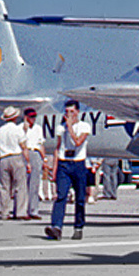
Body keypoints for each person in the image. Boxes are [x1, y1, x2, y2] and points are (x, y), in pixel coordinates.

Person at [45, 100, 91, 241]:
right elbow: (58, 147)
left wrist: (70, 127)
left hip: (78, 164)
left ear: (77, 112)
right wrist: (55, 168)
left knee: (80, 198)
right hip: (64, 164)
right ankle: (56, 227)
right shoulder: (61, 127)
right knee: (61, 195)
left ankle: (78, 226)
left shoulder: (84, 126)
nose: (68, 115)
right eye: (66, 112)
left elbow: (78, 142)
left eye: (71, 112)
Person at [0, 106, 29, 221]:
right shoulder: (18, 130)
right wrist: (27, 162)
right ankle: (20, 212)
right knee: (20, 186)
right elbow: (24, 147)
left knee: (4, 187)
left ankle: (5, 213)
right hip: (16, 157)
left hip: (3, 158)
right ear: (15, 117)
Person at [21, 108, 44, 220]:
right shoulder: (20, 128)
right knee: (23, 184)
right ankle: (22, 210)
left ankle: (33, 210)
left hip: (35, 152)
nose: (33, 119)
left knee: (34, 185)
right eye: (30, 117)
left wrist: (43, 160)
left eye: (34, 117)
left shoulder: (38, 128)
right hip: (24, 152)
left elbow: (41, 144)